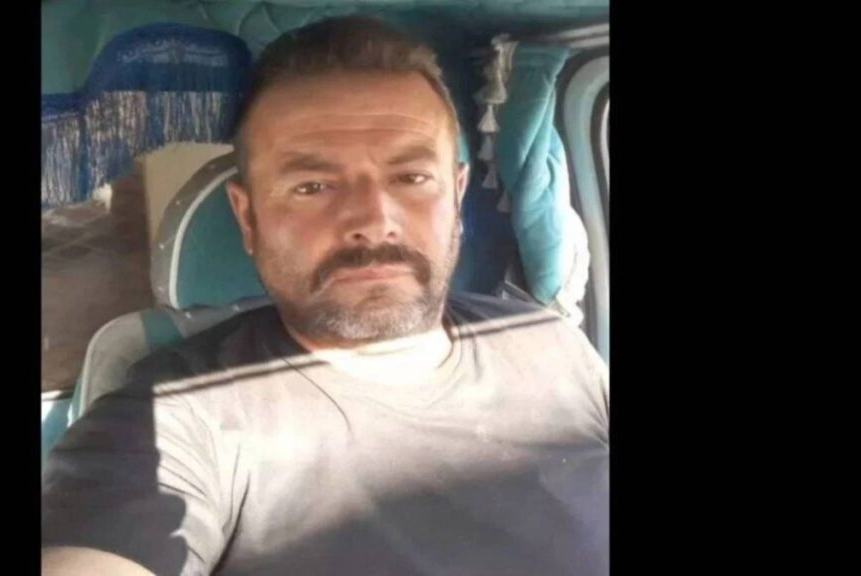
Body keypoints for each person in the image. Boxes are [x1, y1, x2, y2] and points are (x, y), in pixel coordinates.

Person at [42, 15, 609, 576]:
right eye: (312, 186)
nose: (374, 220)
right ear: (248, 216)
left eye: (411, 178)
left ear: (456, 195)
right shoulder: (177, 415)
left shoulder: (550, 341)